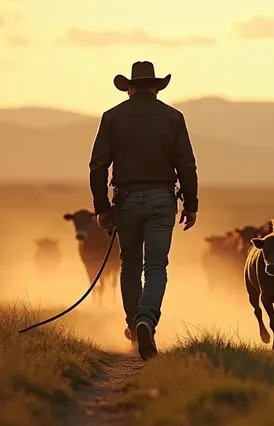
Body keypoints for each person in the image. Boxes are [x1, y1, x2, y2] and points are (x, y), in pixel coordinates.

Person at [88, 61, 199, 360]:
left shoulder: (112, 117)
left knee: (130, 266)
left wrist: (101, 208)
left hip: (125, 201)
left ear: (130, 88)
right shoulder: (173, 117)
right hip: (163, 199)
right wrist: (191, 204)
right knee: (156, 267)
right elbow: (186, 164)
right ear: (156, 87)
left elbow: (98, 165)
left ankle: (133, 325)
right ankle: (146, 320)